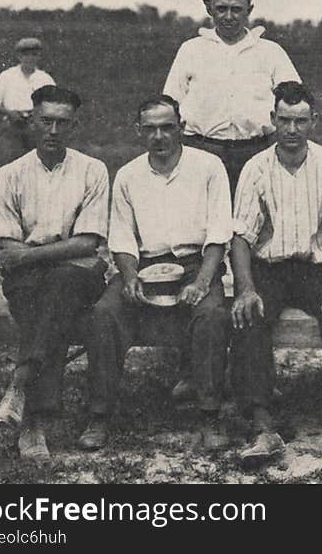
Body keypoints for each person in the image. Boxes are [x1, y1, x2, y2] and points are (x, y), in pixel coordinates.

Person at [81, 95, 233, 452]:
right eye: (150, 129)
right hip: (145, 265)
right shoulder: (129, 175)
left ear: (180, 126)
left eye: (167, 127)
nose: (159, 136)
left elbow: (218, 232)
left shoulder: (209, 166)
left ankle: (210, 415)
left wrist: (202, 281)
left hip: (196, 263)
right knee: (104, 314)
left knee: (211, 315)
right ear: (138, 131)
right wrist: (130, 275)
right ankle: (99, 414)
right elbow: (121, 235)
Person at [230, 82, 322, 465]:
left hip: (317, 268)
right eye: (284, 120)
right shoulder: (255, 167)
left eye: (300, 121)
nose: (292, 130)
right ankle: (263, 428)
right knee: (249, 316)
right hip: (270, 267)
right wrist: (244, 289)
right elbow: (240, 236)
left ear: (314, 122)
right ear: (272, 120)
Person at [0, 85, 108, 461]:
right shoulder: (9, 174)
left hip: (79, 274)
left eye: (62, 123)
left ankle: (25, 396)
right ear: (32, 120)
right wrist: (44, 255)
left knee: (59, 283)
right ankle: (33, 415)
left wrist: (30, 254)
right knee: (44, 299)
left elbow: (88, 243)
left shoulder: (93, 170)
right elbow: (4, 247)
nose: (53, 131)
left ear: (74, 125)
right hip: (31, 279)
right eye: (45, 121)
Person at [163, 0, 300, 195]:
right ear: (209, 9)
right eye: (221, 9)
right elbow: (170, 103)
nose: (229, 16)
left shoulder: (271, 52)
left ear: (249, 10)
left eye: (236, 9)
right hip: (202, 150)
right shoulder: (191, 50)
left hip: (257, 151)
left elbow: (296, 102)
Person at [0, 38, 56, 159]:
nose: (30, 59)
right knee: (13, 159)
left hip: (36, 125)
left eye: (34, 55)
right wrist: (10, 114)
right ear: (19, 56)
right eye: (26, 55)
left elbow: (55, 103)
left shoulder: (45, 78)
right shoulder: (7, 76)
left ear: (39, 57)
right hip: (12, 124)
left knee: (37, 160)